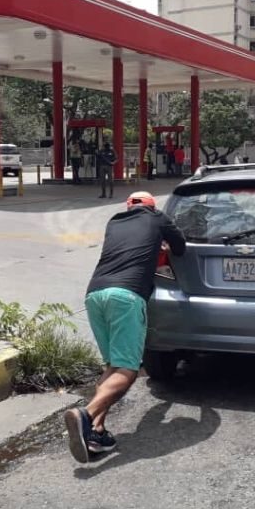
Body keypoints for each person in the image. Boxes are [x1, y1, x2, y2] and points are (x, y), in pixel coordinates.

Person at [64, 191, 186, 463]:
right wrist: (164, 245)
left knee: (112, 366)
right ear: (152, 207)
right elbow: (181, 247)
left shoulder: (114, 221)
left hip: (95, 295)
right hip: (126, 296)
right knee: (128, 370)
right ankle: (85, 413)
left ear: (128, 207)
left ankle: (95, 430)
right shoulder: (157, 218)